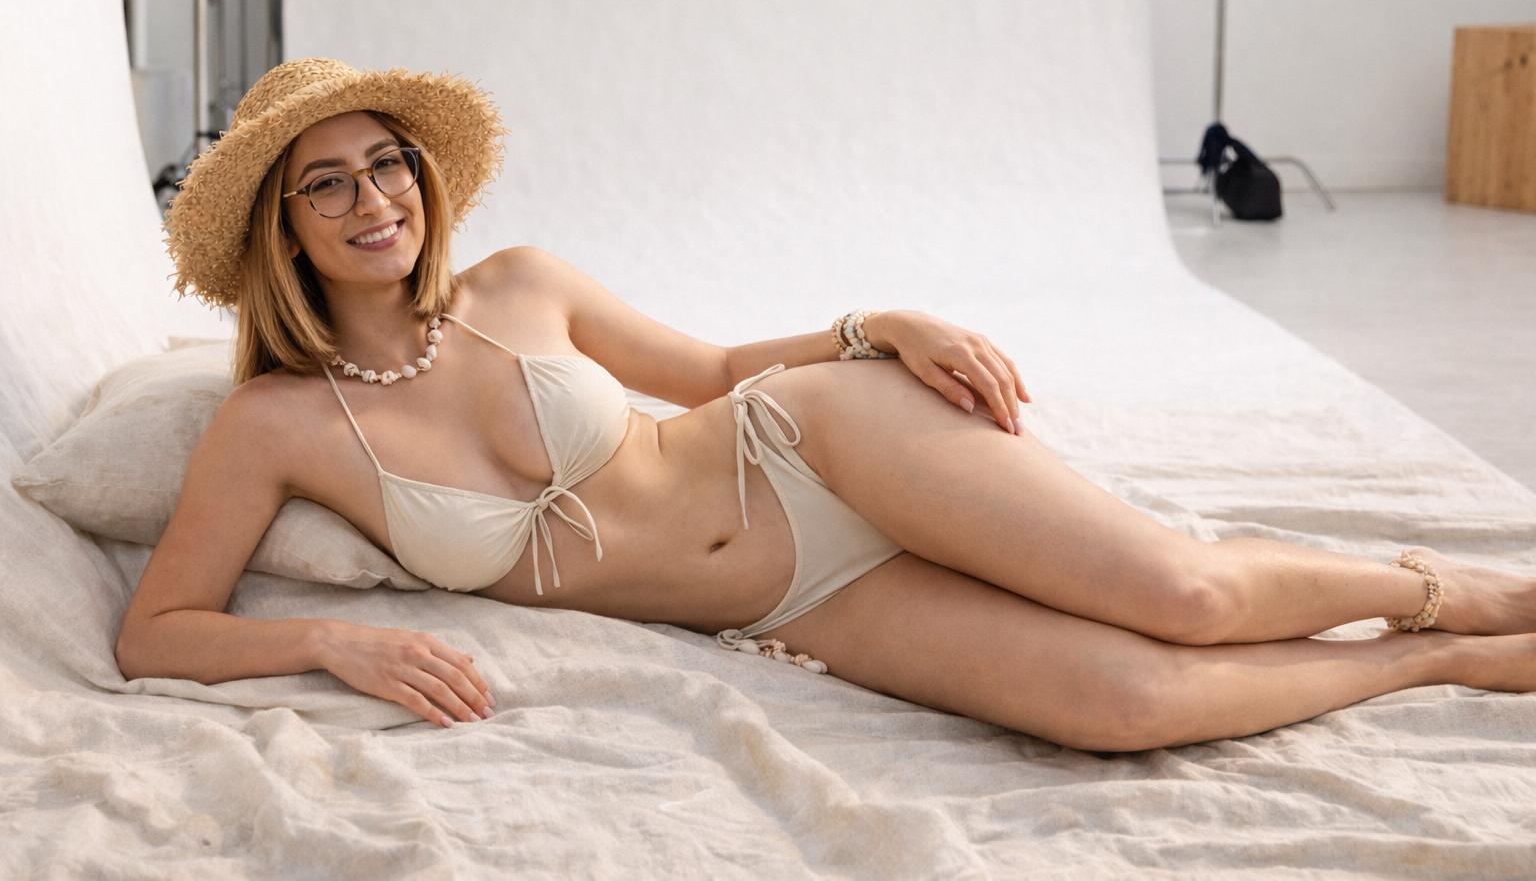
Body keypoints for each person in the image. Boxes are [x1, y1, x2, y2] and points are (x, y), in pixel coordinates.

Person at [119, 57, 1536, 751]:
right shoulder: (274, 427)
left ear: (423, 181)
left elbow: (715, 372)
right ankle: (1430, 666)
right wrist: (333, 644)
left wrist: (875, 328)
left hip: (814, 445)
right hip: (793, 603)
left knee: (1184, 596)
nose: (372, 199)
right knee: (1122, 704)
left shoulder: (522, 283)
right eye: (326, 183)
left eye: (388, 165)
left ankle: (1433, 589)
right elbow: (155, 633)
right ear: (282, 228)